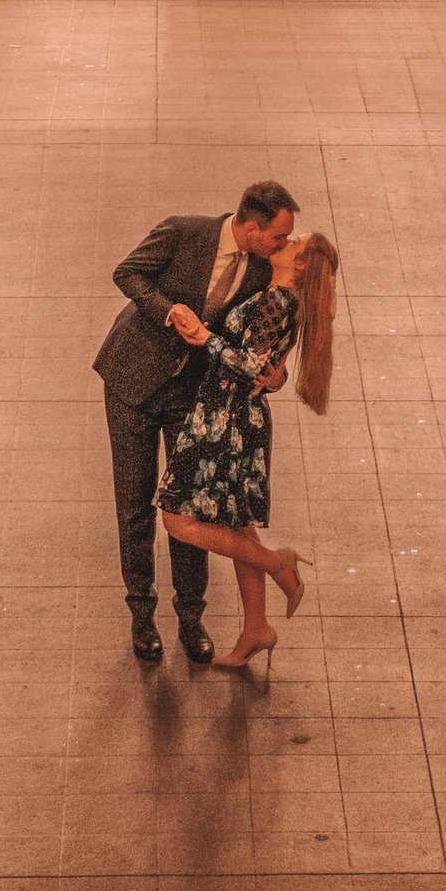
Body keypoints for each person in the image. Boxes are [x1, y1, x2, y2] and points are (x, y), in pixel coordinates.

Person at [95, 181, 298, 664]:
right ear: (251, 227)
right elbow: (127, 273)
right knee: (134, 503)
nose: (284, 245)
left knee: (191, 506)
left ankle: (191, 615)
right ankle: (142, 613)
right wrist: (168, 312)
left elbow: (267, 338)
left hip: (197, 397)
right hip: (132, 380)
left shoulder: (264, 270)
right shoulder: (182, 232)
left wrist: (276, 376)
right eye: (277, 236)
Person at [159, 230, 338, 669]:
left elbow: (251, 365)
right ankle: (256, 627)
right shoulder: (281, 297)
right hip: (238, 415)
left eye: (297, 241)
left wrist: (206, 337)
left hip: (225, 420)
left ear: (300, 266)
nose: (289, 238)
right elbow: (264, 366)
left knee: (176, 518)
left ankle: (279, 562)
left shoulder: (279, 301)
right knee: (237, 525)